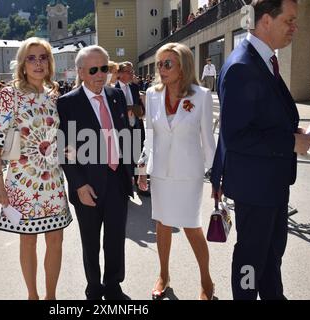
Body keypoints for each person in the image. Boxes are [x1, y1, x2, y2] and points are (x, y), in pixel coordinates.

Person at [210, 0, 310, 300]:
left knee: (271, 257)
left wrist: (292, 133)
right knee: (250, 260)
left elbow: (261, 118)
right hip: (255, 187)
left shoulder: (263, 59)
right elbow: (235, 135)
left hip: (271, 182)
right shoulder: (242, 65)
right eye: (289, 20)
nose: (295, 27)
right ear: (267, 20)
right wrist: (290, 142)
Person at [0, 37, 72, 300]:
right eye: (31, 58)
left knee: (56, 238)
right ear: (22, 64)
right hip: (22, 181)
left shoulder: (53, 94)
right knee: (28, 239)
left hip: (53, 178)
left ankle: (51, 297)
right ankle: (32, 295)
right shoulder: (9, 95)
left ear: (50, 62)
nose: (38, 63)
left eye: (43, 57)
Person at [137, 43, 216, 300]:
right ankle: (163, 274)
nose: (161, 69)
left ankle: (205, 279)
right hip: (160, 172)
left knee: (192, 226)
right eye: (160, 64)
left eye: (167, 64)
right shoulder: (151, 94)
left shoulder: (201, 95)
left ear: (183, 67)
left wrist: (216, 175)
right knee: (162, 224)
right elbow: (149, 135)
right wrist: (142, 168)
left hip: (189, 174)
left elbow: (208, 139)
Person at [57, 45, 134, 300]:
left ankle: (113, 286)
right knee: (90, 241)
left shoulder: (116, 95)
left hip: (117, 180)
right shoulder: (67, 103)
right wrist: (78, 184)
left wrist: (132, 171)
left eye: (104, 68)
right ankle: (94, 287)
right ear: (80, 72)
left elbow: (126, 135)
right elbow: (64, 148)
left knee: (115, 239)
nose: (100, 74)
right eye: (93, 70)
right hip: (87, 185)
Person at [116, 61, 149, 197]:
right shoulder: (113, 89)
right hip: (121, 130)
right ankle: (125, 187)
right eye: (129, 71)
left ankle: (140, 185)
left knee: (138, 155)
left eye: (132, 71)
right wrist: (129, 108)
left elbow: (139, 106)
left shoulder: (134, 87)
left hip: (136, 126)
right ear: (120, 74)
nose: (132, 74)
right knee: (125, 158)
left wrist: (139, 110)